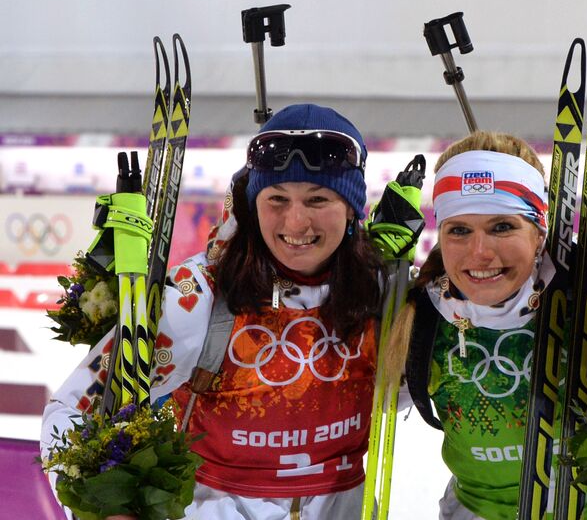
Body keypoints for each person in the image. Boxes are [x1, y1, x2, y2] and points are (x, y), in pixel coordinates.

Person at [42, 103, 385, 519]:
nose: (296, 222)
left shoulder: (381, 292)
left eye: (317, 199)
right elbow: (70, 411)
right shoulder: (198, 297)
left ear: (351, 207)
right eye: (276, 198)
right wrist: (110, 505)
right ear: (252, 203)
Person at [378, 130, 587, 520]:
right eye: (459, 230)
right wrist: (368, 283)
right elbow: (352, 407)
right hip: (477, 511)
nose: (480, 253)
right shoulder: (424, 316)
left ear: (539, 232)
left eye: (502, 227)